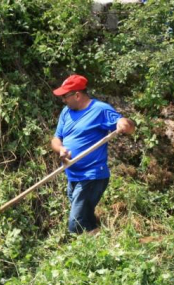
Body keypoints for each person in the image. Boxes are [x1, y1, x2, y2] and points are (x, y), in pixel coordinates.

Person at [50, 74, 135, 234]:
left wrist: (124, 124)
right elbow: (56, 138)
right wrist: (60, 148)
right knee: (86, 221)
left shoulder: (100, 110)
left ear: (77, 94)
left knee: (76, 224)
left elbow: (126, 125)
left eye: (65, 96)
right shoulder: (66, 112)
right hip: (73, 175)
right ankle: (100, 250)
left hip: (92, 175)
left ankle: (81, 255)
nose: (63, 100)